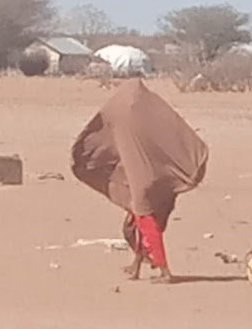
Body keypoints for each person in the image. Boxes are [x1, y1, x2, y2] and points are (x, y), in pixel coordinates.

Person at [71, 79, 208, 283]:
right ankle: (136, 266)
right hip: (155, 178)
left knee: (146, 223)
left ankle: (164, 271)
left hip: (143, 181)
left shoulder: (125, 114)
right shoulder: (147, 114)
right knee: (135, 223)